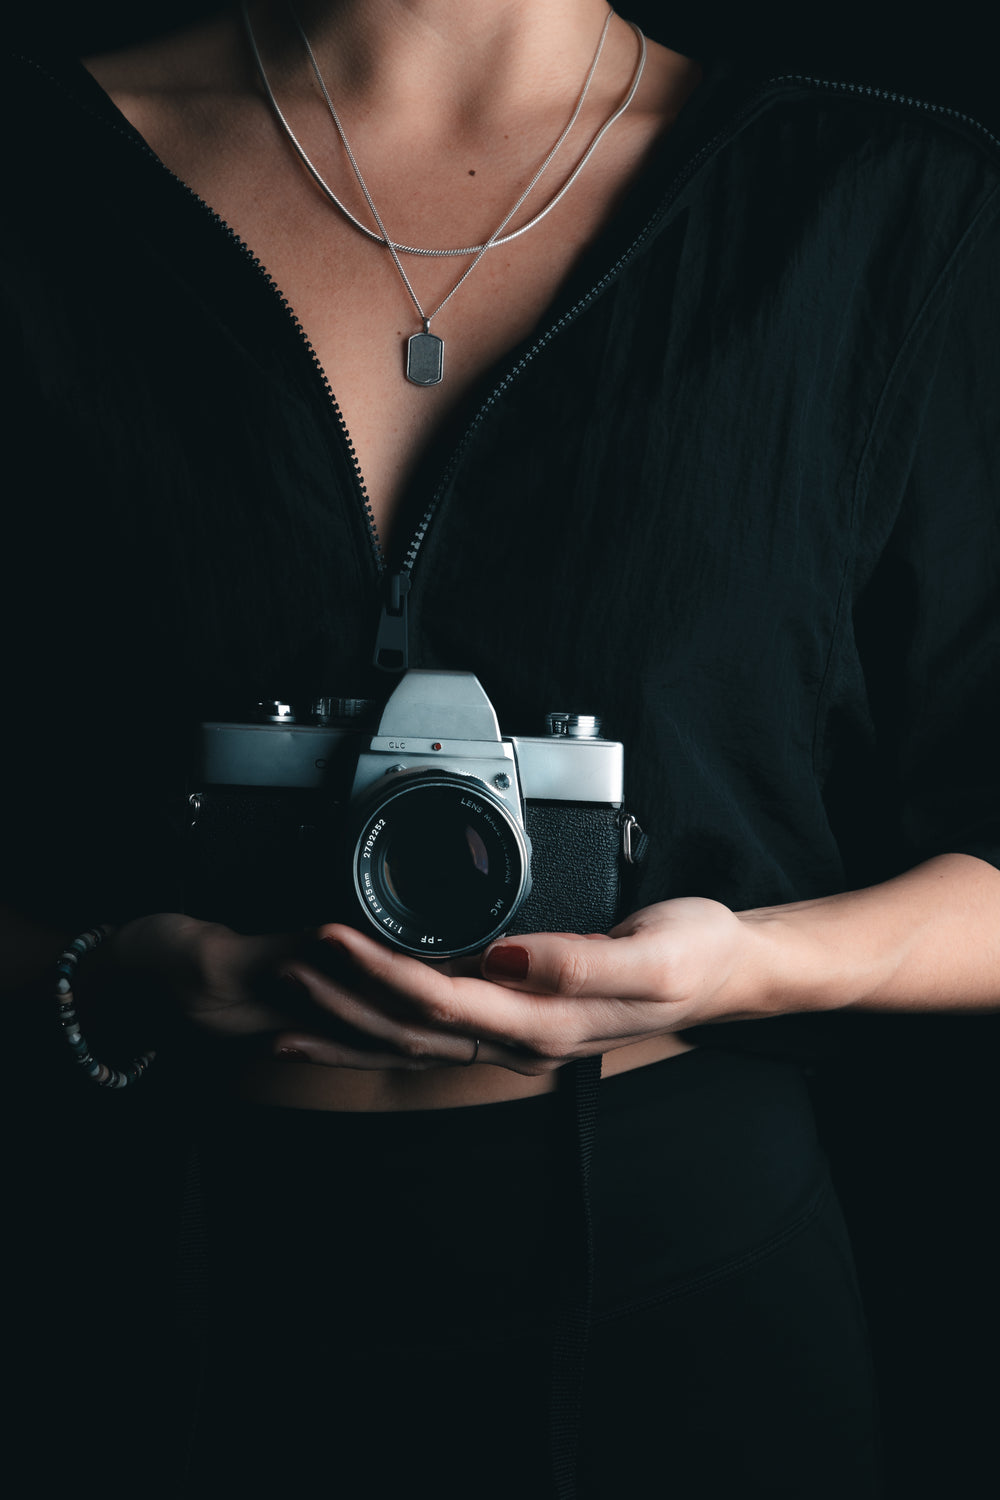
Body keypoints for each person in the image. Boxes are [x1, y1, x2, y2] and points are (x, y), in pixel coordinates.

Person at [3, 2, 999, 1496]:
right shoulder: (34, 175)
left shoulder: (885, 205)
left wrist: (761, 962)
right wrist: (119, 968)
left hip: (687, 1287)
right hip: (126, 1269)